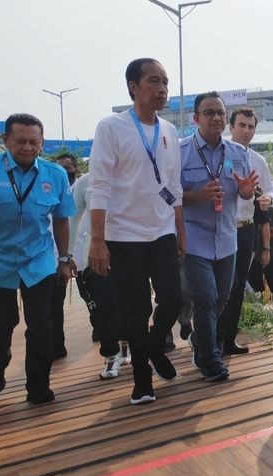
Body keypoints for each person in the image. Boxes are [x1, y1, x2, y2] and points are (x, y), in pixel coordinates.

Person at [88, 58, 185, 405]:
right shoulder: (111, 127)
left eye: (166, 83)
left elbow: (173, 186)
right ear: (133, 86)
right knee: (136, 309)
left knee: (173, 296)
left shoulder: (170, 131)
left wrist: (180, 231)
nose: (162, 90)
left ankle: (157, 343)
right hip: (122, 236)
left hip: (161, 233)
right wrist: (98, 241)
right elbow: (97, 186)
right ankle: (142, 378)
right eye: (154, 82)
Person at [0, 113, 76, 404]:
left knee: (42, 325)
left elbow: (61, 220)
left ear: (42, 143)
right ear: (6, 140)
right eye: (20, 141)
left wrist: (64, 259)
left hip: (39, 262)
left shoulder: (56, 175)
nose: (27, 147)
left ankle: (38, 387)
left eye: (33, 142)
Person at [180, 91, 258, 382]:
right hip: (194, 238)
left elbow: (244, 190)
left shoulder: (237, 153)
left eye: (220, 113)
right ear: (195, 117)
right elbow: (165, 195)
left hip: (227, 240)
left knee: (221, 298)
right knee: (205, 297)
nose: (216, 118)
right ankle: (210, 360)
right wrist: (196, 195)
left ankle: (199, 342)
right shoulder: (180, 152)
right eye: (209, 112)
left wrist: (247, 192)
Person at [217, 107, 273, 356]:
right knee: (220, 287)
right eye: (241, 125)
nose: (246, 131)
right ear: (230, 127)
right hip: (219, 228)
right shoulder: (218, 152)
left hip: (245, 229)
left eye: (251, 127)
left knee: (237, 287)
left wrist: (266, 198)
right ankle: (209, 338)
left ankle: (228, 339)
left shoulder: (257, 160)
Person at [70, 172, 131, 379]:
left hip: (128, 253)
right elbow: (73, 218)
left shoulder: (134, 175)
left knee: (127, 305)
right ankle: (110, 355)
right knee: (103, 310)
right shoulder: (85, 182)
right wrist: (68, 255)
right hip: (92, 256)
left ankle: (124, 347)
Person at [50, 153, 80, 359]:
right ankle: (55, 346)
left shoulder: (82, 188)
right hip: (50, 257)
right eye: (59, 167)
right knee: (51, 305)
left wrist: (69, 256)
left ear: (75, 171)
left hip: (75, 253)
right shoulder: (49, 189)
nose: (63, 172)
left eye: (67, 168)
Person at [248, 205, 273, 320]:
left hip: (272, 250)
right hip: (255, 251)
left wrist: (266, 248)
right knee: (255, 286)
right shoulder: (249, 205)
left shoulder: (271, 209)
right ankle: (255, 316)